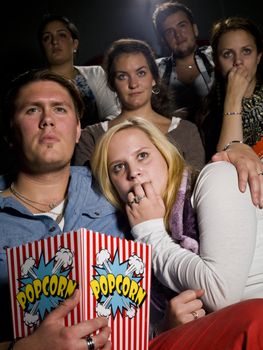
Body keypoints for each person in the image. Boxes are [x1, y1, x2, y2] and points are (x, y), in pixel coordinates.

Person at [90, 117, 263, 332]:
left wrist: (150, 233)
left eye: (142, 156)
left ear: (165, 155)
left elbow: (221, 294)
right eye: (118, 167)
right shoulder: (128, 240)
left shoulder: (217, 177)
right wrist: (166, 326)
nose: (133, 172)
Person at [0, 69, 129, 349]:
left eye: (59, 109)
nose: (47, 120)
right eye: (32, 110)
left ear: (78, 129)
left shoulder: (116, 185)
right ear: (11, 133)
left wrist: (234, 150)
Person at [73, 38, 205, 171]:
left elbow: (196, 187)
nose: (133, 84)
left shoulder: (186, 131)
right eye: (122, 76)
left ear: (154, 78)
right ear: (112, 84)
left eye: (141, 73)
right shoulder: (92, 136)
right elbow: (82, 188)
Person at [198, 16, 263, 162]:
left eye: (246, 51)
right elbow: (223, 166)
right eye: (228, 54)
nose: (238, 61)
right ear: (216, 62)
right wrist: (233, 99)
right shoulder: (207, 114)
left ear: (258, 57)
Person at [37, 14, 120, 127]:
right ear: (42, 48)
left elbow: (114, 113)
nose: (54, 42)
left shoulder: (95, 73)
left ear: (74, 44)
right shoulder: (36, 84)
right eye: (47, 37)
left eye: (61, 35)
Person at [152, 2, 214, 124]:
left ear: (195, 29)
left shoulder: (217, 56)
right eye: (169, 31)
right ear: (163, 41)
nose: (178, 35)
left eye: (182, 25)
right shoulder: (155, 70)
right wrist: (167, 118)